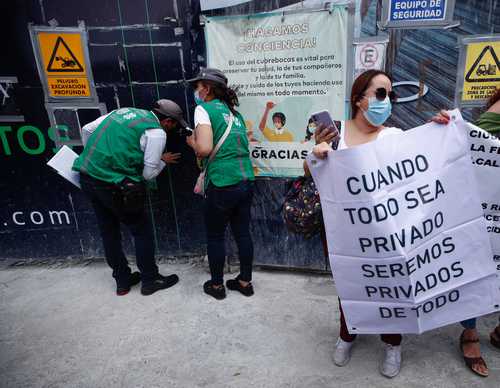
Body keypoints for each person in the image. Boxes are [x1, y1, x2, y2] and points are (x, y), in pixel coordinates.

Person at [306, 70, 402, 378]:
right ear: (359, 99)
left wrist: (443, 130)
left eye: (390, 95)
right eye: (381, 93)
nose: (386, 102)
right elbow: (310, 172)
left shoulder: (395, 137)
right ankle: (347, 334)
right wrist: (316, 154)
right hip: (342, 231)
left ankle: (392, 342)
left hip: (385, 232)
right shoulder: (334, 132)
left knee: (391, 285)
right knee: (349, 284)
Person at [73, 100, 187, 296]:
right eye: (176, 124)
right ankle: (150, 280)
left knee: (109, 231)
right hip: (114, 184)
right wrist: (162, 160)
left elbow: (87, 129)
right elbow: (148, 175)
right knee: (141, 231)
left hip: (88, 176)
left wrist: (100, 159)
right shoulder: (157, 132)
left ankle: (122, 281)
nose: (174, 129)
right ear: (167, 121)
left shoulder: (123, 111)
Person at [431, 87, 500, 378]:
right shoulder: (495, 113)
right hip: (487, 205)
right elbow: (472, 149)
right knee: (477, 266)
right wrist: (446, 132)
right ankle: (469, 334)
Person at [186, 68, 255, 300]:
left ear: (206, 88)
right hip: (245, 179)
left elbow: (205, 148)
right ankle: (245, 282)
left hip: (222, 181)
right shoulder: (235, 115)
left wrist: (192, 142)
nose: (196, 91)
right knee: (243, 233)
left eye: (198, 86)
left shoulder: (202, 109)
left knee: (215, 236)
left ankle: (216, 286)